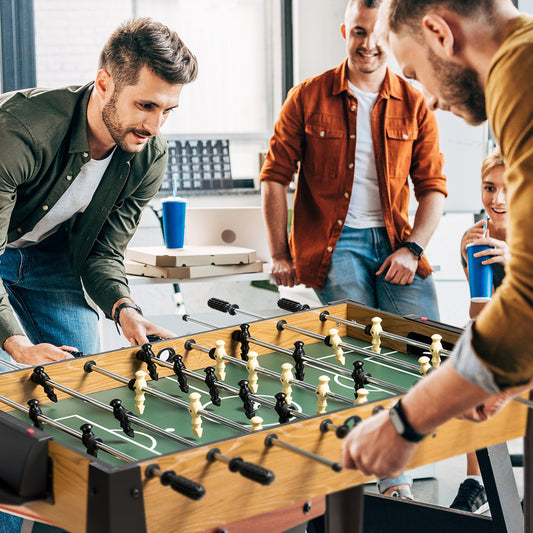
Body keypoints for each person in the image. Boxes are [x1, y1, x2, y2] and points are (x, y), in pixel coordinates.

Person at [0, 16, 198, 533]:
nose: (154, 125)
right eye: (145, 105)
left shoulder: (147, 153)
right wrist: (17, 347)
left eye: (166, 110)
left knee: (80, 397)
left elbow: (103, 253)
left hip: (49, 258)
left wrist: (124, 309)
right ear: (105, 82)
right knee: (4, 417)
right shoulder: (18, 131)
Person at [260, 0, 447, 504]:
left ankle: (389, 467)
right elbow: (275, 177)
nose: (368, 45)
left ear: (392, 35)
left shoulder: (415, 100)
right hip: (333, 246)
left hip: (396, 244)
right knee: (361, 351)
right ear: (345, 31)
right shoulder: (308, 95)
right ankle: (389, 486)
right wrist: (281, 252)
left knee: (424, 354)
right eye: (358, 33)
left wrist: (411, 249)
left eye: (378, 35)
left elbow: (433, 188)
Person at [341, 0, 533, 490]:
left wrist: (404, 422)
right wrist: (509, 376)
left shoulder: (521, 74)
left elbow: (526, 302)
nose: (427, 100)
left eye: (413, 71)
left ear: (439, 34)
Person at [452, 148, 508, 513]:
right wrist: (466, 254)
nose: (497, 199)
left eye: (510, 188)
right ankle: (477, 481)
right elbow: (477, 310)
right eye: (489, 188)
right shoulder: (476, 236)